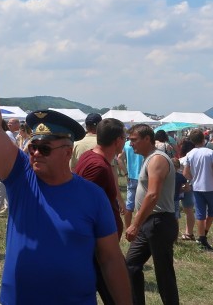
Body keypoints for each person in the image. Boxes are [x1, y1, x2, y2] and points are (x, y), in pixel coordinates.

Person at [0, 51, 130, 304]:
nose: (35, 153)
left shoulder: (93, 196)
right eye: (33, 146)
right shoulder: (21, 178)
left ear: (68, 152)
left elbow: (111, 258)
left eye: (44, 148)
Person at [124, 123, 179, 305]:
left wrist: (135, 223)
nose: (131, 144)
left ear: (147, 139)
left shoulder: (157, 159)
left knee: (163, 274)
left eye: (134, 140)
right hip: (150, 222)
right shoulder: (149, 158)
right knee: (130, 265)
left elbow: (153, 194)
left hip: (159, 222)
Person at [74, 118, 126, 305]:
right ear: (118, 140)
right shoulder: (98, 166)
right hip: (99, 248)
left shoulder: (91, 156)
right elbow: (82, 205)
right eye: (125, 138)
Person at [183, 128, 213, 251]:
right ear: (203, 139)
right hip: (210, 187)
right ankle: (203, 234)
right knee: (212, 212)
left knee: (200, 214)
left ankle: (202, 236)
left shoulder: (190, 154)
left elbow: (185, 172)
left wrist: (193, 179)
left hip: (197, 187)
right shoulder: (210, 152)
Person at [118, 135, 145, 230]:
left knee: (129, 206)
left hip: (131, 177)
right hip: (143, 177)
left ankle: (128, 227)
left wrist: (125, 173)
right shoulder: (143, 145)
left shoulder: (126, 145)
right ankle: (138, 228)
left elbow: (119, 158)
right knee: (142, 206)